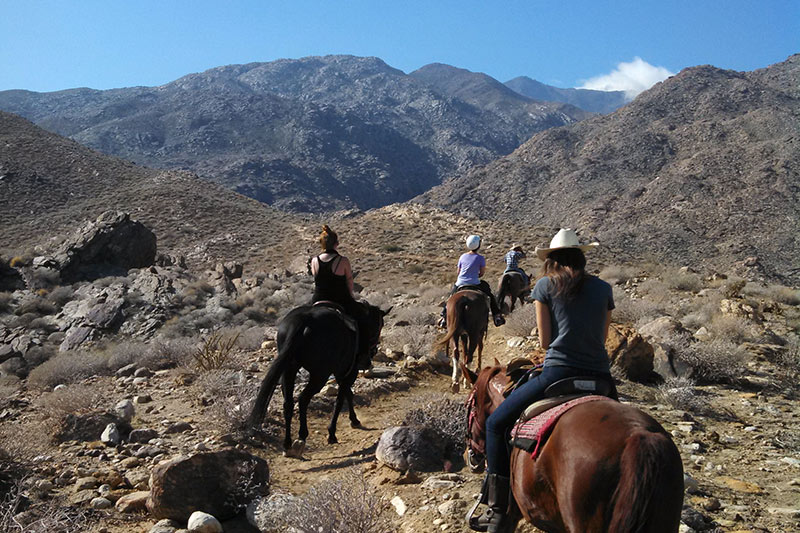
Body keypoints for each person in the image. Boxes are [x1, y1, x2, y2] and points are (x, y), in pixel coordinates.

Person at [469, 228, 616, 533]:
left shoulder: (546, 286)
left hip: (559, 372)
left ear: (551, 259)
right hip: (601, 377)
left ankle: (497, 510)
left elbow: (547, 341)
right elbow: (603, 338)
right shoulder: (603, 288)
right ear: (581, 256)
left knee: (496, 424)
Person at [309, 225, 370, 363]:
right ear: (336, 243)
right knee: (362, 318)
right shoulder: (342, 261)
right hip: (339, 299)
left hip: (317, 298)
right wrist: (351, 297)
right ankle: (363, 355)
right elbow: (349, 281)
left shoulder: (314, 261)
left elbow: (317, 279)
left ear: (321, 243)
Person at [439, 234, 505, 328]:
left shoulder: (462, 256)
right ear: (478, 245)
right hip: (475, 283)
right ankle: (497, 316)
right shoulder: (480, 258)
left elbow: (458, 272)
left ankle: (444, 316)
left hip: (460, 283)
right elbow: (481, 273)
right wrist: (474, 275)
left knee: (450, 297)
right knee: (490, 295)